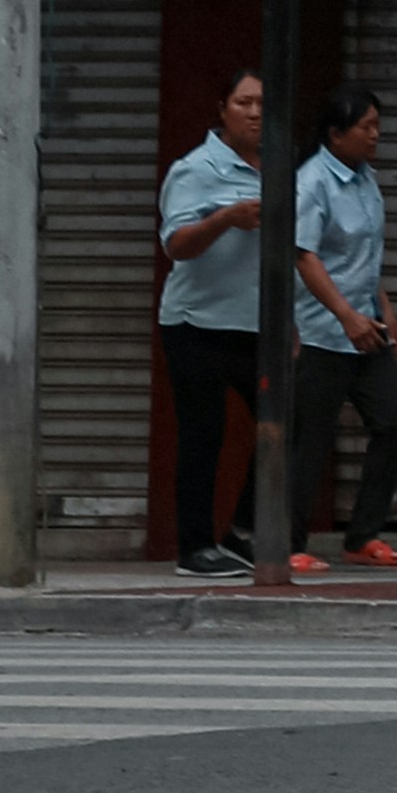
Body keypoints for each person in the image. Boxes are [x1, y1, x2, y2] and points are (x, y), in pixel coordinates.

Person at [289, 78, 397, 567]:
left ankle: (362, 535)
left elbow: (365, 254)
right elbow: (303, 255)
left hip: (366, 330)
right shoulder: (312, 181)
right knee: (309, 441)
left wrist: (384, 309)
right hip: (322, 332)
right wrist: (345, 315)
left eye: (377, 125)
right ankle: (289, 545)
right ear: (336, 134)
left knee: (393, 423)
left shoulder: (365, 178)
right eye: (366, 126)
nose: (375, 135)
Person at [157, 65, 266, 573]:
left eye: (264, 104)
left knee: (283, 426)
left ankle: (243, 532)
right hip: (195, 324)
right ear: (223, 109)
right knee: (204, 433)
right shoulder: (196, 169)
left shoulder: (281, 169)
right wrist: (225, 219)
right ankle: (195, 547)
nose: (255, 113)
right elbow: (177, 246)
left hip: (255, 325)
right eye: (244, 102)